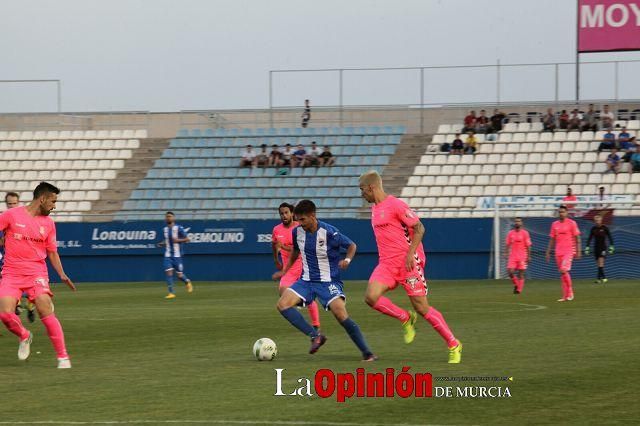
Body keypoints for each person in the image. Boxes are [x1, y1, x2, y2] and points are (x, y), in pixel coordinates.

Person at [358, 171, 462, 363]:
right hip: (387, 264)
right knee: (370, 297)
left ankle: (454, 343)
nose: (361, 194)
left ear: (371, 187)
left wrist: (409, 254)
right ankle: (405, 318)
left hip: (408, 264)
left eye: (362, 190)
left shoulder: (396, 204)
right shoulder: (375, 209)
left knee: (422, 307)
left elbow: (419, 228)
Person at [273, 200, 377, 361]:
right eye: (297, 219)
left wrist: (347, 261)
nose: (299, 223)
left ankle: (367, 352)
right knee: (282, 305)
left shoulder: (329, 232)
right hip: (306, 281)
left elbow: (351, 246)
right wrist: (285, 271)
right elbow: (295, 251)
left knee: (340, 314)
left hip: (328, 282)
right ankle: (315, 336)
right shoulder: (297, 232)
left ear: (313, 216)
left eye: (302, 219)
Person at [0, 182, 76, 368]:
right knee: (5, 314)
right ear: (42, 199)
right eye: (53, 201)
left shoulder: (49, 223)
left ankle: (63, 357)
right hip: (11, 272)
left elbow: (52, 252)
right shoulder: (11, 215)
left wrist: (62, 274)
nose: (54, 206)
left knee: (44, 306)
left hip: (36, 272)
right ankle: (24, 336)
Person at [271, 203, 320, 331]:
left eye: (286, 212)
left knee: (305, 297)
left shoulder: (299, 227)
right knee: (283, 291)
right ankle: (302, 303)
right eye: (281, 213)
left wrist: (283, 247)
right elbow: (274, 244)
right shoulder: (277, 229)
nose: (284, 215)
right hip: (288, 268)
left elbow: (298, 249)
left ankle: (315, 325)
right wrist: (276, 259)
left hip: (303, 265)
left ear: (292, 213)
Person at [0, 192, 37, 323]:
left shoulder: (26, 218)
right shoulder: (4, 218)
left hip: (27, 259)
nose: (12, 206)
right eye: (9, 203)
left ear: (18, 203)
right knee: (7, 284)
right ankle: (17, 304)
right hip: (9, 260)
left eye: (14, 203)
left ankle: (30, 307)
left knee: (32, 288)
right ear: (6, 204)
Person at [546, 205, 581, 302]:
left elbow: (577, 238)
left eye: (563, 212)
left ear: (567, 213)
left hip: (569, 251)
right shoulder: (554, 224)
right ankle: (565, 296)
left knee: (563, 270)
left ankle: (570, 292)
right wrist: (548, 251)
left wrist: (578, 251)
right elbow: (552, 239)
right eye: (560, 212)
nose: (561, 213)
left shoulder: (572, 223)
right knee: (562, 274)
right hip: (558, 252)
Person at [157, 211, 193, 299]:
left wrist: (178, 240)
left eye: (170, 216)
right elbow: (167, 241)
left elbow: (188, 239)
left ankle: (187, 282)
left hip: (177, 256)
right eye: (167, 217)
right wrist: (161, 244)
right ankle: (171, 293)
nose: (168, 218)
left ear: (173, 218)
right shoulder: (164, 229)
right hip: (168, 255)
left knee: (180, 275)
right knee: (169, 273)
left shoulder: (179, 228)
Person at [505, 217, 532, 294]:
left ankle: (519, 290)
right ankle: (517, 285)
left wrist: (529, 256)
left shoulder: (525, 233)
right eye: (516, 221)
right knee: (510, 272)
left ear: (521, 223)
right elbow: (507, 244)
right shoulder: (510, 233)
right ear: (514, 223)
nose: (517, 222)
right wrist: (506, 253)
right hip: (512, 256)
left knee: (521, 274)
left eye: (519, 221)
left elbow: (528, 245)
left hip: (522, 256)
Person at [585, 214, 614, 284]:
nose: (597, 221)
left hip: (603, 248)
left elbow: (610, 237)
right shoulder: (593, 229)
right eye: (596, 220)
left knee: (601, 263)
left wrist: (611, 246)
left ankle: (603, 278)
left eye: (598, 220)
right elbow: (590, 238)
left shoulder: (605, 228)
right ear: (594, 221)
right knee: (599, 264)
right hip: (596, 248)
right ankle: (599, 279)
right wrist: (587, 247)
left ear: (601, 220)